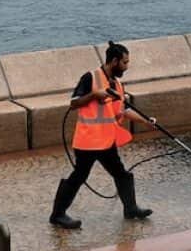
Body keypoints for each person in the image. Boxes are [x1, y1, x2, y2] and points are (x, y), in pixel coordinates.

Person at [49, 41, 154, 229]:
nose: (127, 67)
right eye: (125, 62)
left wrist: (145, 121)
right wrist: (94, 95)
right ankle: (57, 215)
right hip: (88, 142)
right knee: (79, 177)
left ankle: (131, 209)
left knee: (121, 174)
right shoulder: (90, 77)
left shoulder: (117, 84)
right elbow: (73, 103)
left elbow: (121, 110)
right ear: (114, 61)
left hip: (106, 142)